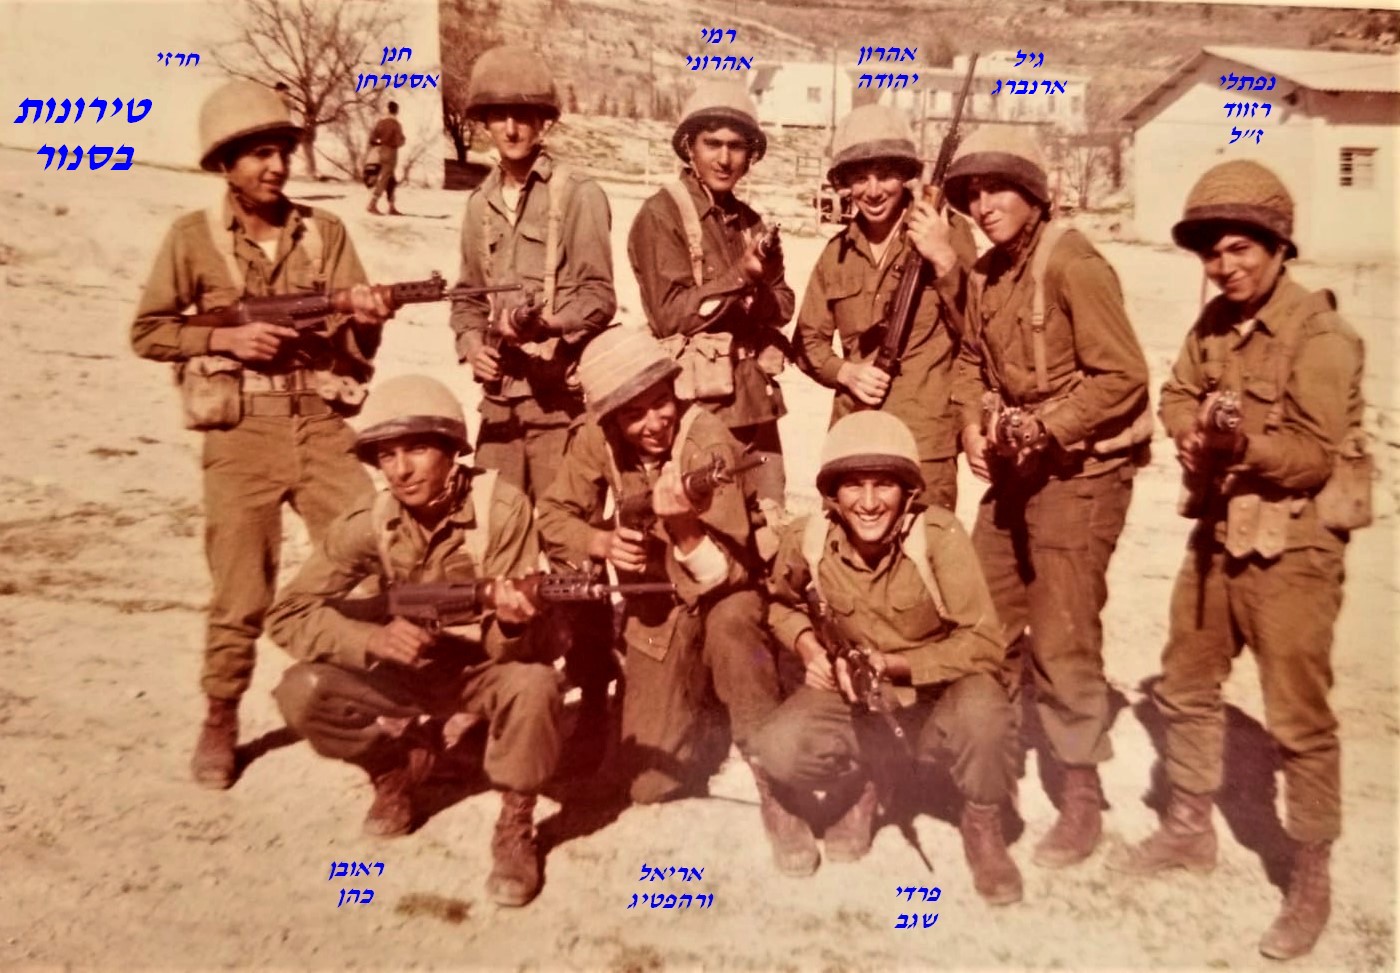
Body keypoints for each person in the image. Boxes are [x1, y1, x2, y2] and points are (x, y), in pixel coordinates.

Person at [1107, 161, 1367, 961]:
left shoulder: (1321, 336)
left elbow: (1315, 455)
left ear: (1278, 245)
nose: (1225, 266)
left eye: (1240, 249)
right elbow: (1175, 394)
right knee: (1186, 682)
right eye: (1213, 253)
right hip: (1219, 532)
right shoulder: (1215, 323)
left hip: (1294, 545)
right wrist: (1191, 430)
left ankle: (1308, 877)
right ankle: (1189, 827)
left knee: (1298, 718)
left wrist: (1239, 445)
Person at [130, 79, 393, 791]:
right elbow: (149, 331)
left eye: (282, 152)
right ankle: (221, 716)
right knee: (240, 587)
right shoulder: (192, 238)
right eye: (258, 155)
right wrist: (225, 337)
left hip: (322, 424)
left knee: (371, 564)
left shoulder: (325, 233)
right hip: (240, 432)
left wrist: (368, 317)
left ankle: (370, 711)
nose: (276, 167)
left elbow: (356, 344)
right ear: (226, 164)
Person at [918, 126, 1152, 868]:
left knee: (1061, 636)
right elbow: (968, 361)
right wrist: (971, 425)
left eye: (998, 189)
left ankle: (1081, 794)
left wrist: (1046, 426)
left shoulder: (1074, 265)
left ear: (1034, 195)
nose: (984, 205)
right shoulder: (987, 274)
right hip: (1016, 471)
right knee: (979, 620)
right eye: (973, 194)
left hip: (1079, 476)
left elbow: (1125, 379)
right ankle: (990, 773)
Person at [266, 375, 561, 908]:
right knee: (301, 690)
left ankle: (516, 824)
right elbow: (287, 612)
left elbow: (517, 651)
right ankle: (394, 770)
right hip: (405, 670)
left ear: (451, 451)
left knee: (536, 685)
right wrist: (370, 638)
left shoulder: (502, 509)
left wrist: (512, 622)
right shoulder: (370, 522)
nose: (400, 470)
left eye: (417, 450)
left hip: (482, 670)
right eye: (387, 455)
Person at [748, 412, 1021, 902]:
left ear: (907, 492)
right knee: (779, 749)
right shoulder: (810, 540)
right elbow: (779, 605)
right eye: (854, 485)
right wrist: (809, 647)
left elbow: (984, 642)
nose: (870, 503)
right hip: (860, 700)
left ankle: (982, 822)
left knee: (986, 715)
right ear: (834, 494)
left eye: (884, 485)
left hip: (937, 695)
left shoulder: (937, 536)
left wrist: (897, 665)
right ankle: (870, 782)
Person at [449, 43, 618, 752]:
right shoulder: (479, 203)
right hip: (500, 410)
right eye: (498, 116)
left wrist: (544, 325)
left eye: (524, 115)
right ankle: (507, 691)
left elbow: (600, 296)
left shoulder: (578, 195)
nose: (512, 128)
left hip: (558, 408)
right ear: (484, 123)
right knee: (493, 548)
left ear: (544, 121)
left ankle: (594, 689)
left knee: (571, 554)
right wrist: (472, 343)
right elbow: (465, 296)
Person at [535, 328, 781, 807]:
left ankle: (771, 768)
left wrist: (684, 526)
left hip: (723, 594)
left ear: (674, 390)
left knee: (733, 628)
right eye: (633, 414)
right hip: (658, 603)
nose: (654, 423)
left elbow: (722, 573)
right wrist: (600, 541)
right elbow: (552, 513)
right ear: (610, 418)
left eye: (661, 403)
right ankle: (702, 708)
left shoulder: (707, 440)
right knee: (650, 785)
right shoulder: (596, 438)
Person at [793, 105, 977, 512]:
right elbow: (807, 342)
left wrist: (943, 259)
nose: (873, 191)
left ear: (905, 175)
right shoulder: (836, 253)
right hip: (854, 438)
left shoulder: (948, 232)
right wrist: (845, 372)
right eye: (860, 177)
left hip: (923, 444)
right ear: (845, 183)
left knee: (926, 548)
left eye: (886, 175)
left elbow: (979, 333)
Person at [627, 78, 794, 516]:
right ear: (689, 147)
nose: (724, 158)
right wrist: (741, 277)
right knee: (706, 525)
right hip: (696, 410)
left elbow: (784, 303)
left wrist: (759, 295)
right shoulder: (661, 215)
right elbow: (669, 316)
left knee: (770, 526)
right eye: (712, 143)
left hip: (756, 409)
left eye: (736, 146)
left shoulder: (751, 222)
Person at [366, 100, 406, 216]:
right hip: (391, 153)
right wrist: (401, 141)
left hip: (380, 152)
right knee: (384, 178)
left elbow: (372, 139)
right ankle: (372, 204)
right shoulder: (396, 124)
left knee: (391, 180)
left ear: (388, 109)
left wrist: (380, 143)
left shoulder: (380, 123)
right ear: (396, 111)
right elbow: (400, 141)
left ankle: (391, 206)